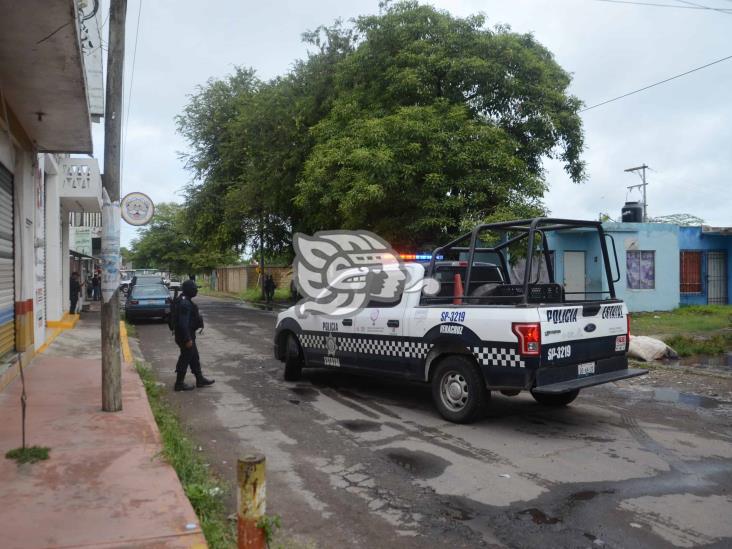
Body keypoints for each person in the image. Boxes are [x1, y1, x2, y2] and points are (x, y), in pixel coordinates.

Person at [173, 279, 214, 392]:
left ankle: (200, 379)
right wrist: (187, 339)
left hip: (187, 334)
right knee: (185, 358)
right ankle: (179, 384)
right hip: (185, 336)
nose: (196, 290)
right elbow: (183, 323)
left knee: (194, 356)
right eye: (194, 288)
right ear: (188, 290)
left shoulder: (184, 300)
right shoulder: (185, 303)